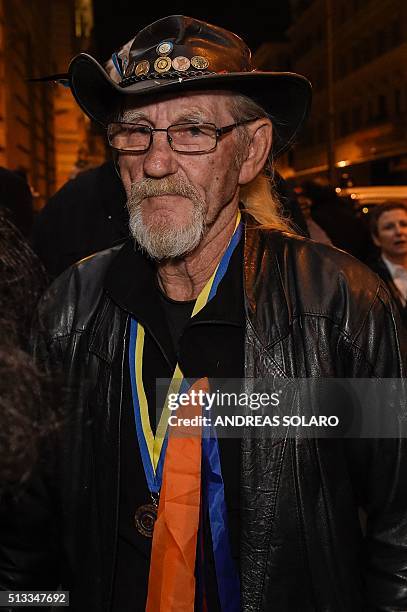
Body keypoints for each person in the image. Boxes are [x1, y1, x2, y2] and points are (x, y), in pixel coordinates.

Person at [0, 15, 406, 612]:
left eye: (192, 131)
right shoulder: (70, 309)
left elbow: (399, 520)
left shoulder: (339, 304)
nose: (156, 162)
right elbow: (23, 541)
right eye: (135, 131)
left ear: (251, 150)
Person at [368, 201, 407, 326]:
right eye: (389, 227)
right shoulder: (370, 278)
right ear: (376, 239)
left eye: (404, 224)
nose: (399, 232)